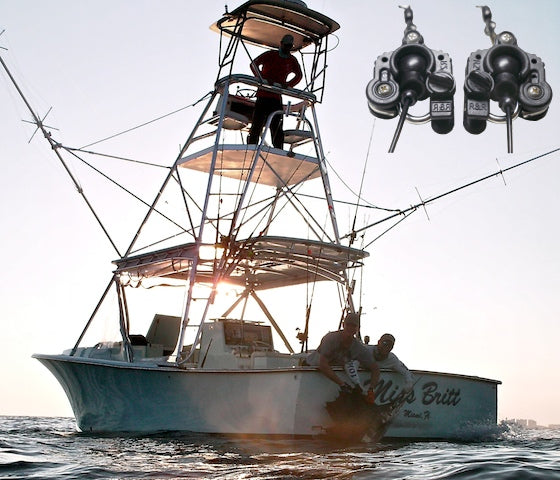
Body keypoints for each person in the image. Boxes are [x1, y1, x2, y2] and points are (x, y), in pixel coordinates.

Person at [305, 313, 380, 403]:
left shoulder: (359, 348)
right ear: (343, 325)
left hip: (333, 379)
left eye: (354, 326)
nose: (350, 328)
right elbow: (323, 364)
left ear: (358, 328)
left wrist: (371, 389)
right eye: (348, 325)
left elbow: (375, 368)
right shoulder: (330, 338)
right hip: (311, 370)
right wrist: (342, 384)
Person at [247, 34, 303, 148]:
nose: (287, 48)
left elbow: (299, 75)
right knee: (257, 124)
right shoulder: (270, 54)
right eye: (286, 45)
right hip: (263, 95)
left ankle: (279, 150)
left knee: (276, 126)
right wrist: (262, 78)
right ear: (281, 43)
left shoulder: (291, 60)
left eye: (290, 46)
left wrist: (287, 85)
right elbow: (253, 64)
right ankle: (251, 147)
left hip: (276, 97)